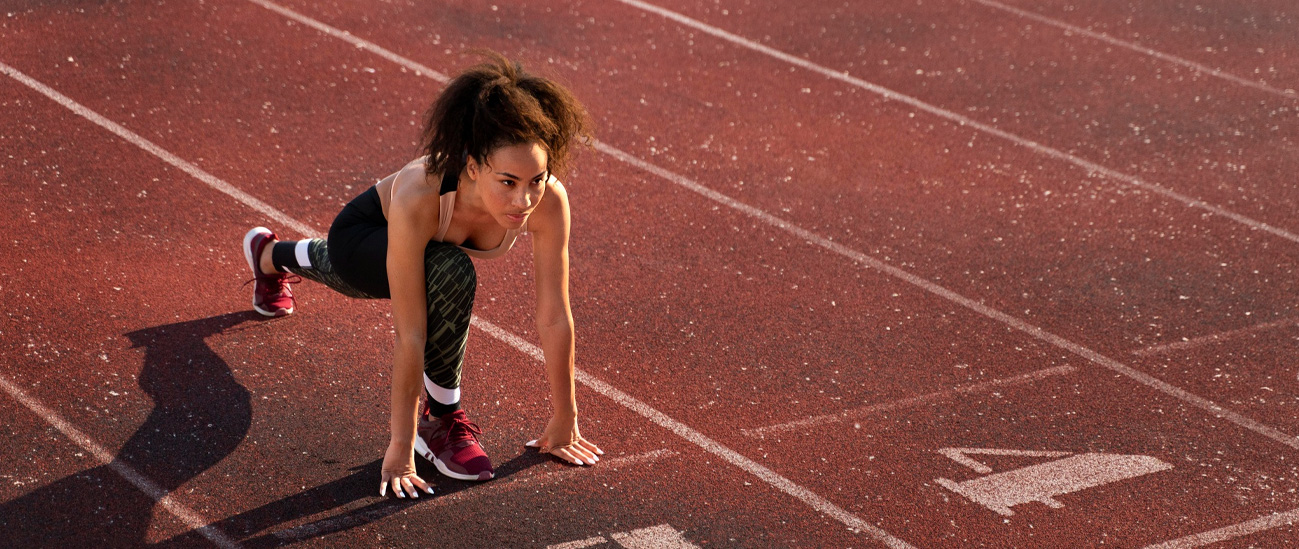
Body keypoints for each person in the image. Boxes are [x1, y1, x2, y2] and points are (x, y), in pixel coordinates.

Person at [239, 51, 603, 499]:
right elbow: (410, 333)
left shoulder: (549, 201)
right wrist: (399, 445)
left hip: (424, 246)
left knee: (441, 266)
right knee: (446, 270)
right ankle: (439, 421)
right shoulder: (422, 191)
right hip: (364, 236)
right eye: (507, 182)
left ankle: (270, 256)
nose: (523, 199)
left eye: (536, 180)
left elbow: (554, 315)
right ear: (473, 167)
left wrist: (565, 418)